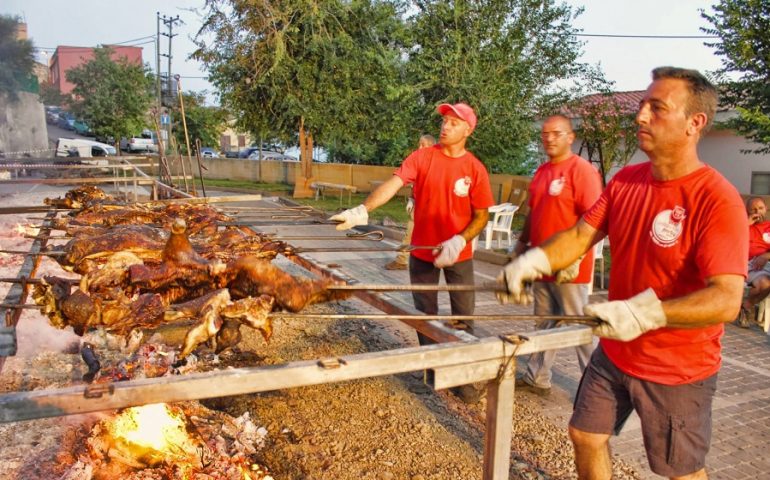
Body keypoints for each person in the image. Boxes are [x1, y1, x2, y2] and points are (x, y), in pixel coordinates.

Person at [497, 67, 747, 479]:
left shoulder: (716, 199)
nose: (641, 116)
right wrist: (533, 261)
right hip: (615, 352)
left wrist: (642, 313)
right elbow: (580, 235)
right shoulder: (626, 181)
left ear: (695, 123)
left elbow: (726, 298)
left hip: (676, 367)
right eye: (644, 105)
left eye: (657, 108)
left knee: (679, 471)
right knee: (585, 435)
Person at [331, 102, 494, 339]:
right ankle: (431, 372)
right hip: (421, 252)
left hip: (458, 254)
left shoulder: (475, 169)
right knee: (424, 318)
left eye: (453, 123)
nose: (445, 127)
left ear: (467, 130)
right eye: (444, 121)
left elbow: (482, 216)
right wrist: (362, 209)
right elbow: (394, 184)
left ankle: (460, 372)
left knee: (463, 319)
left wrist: (460, 240)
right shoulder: (422, 157)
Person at [511, 115, 602, 397]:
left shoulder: (582, 171)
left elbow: (595, 220)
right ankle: (537, 377)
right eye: (545, 133)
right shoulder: (541, 172)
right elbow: (533, 214)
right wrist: (520, 246)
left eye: (556, 133)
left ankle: (597, 385)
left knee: (578, 326)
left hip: (568, 267)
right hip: (542, 264)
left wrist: (576, 258)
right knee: (544, 322)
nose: (549, 138)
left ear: (570, 137)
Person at [385, 134, 436, 270]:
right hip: (418, 206)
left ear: (431, 147)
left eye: (423, 145)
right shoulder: (418, 161)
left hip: (430, 207)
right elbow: (415, 184)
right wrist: (411, 199)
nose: (419, 147)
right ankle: (402, 260)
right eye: (419, 144)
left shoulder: (436, 164)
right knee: (410, 234)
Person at [736, 196, 770, 327]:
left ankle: (745, 306)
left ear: (766, 209)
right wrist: (746, 223)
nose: (757, 212)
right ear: (747, 211)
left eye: (760, 208)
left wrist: (766, 255)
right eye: (753, 209)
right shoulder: (741, 225)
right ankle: (747, 307)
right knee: (765, 283)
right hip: (746, 264)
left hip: (765, 264)